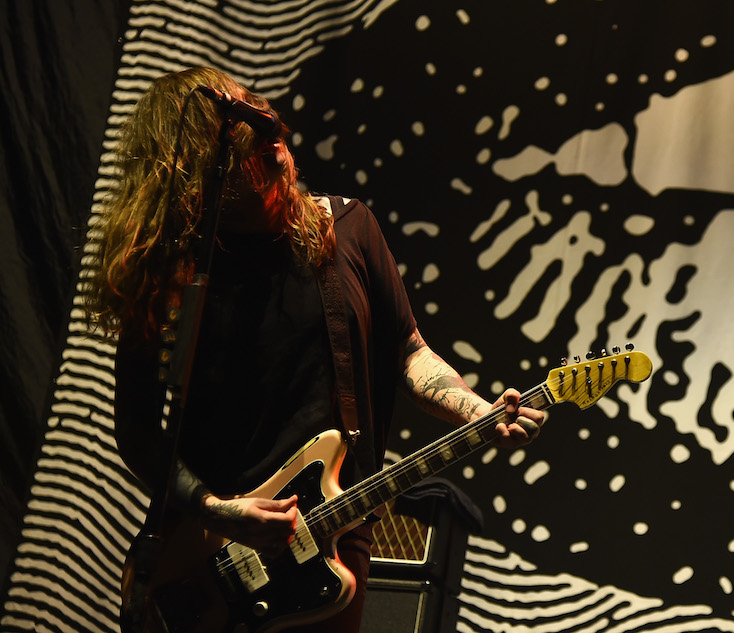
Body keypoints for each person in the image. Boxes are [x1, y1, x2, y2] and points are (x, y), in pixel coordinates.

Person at [85, 66, 544, 632]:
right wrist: (216, 511)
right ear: (201, 180)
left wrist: (476, 411)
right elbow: (136, 428)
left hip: (330, 536)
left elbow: (408, 351)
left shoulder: (346, 227)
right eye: (257, 168)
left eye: (278, 154)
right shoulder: (168, 269)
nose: (279, 168)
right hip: (204, 557)